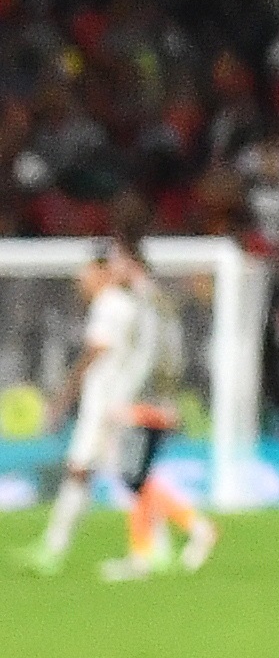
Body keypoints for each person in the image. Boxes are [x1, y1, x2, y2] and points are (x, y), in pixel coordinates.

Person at [26, 235, 206, 579]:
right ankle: (154, 545)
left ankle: (178, 535)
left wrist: (63, 398)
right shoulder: (141, 303)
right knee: (120, 475)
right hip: (122, 399)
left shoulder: (114, 304)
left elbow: (98, 352)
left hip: (110, 403)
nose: (81, 278)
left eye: (88, 271)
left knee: (114, 474)